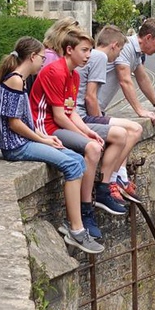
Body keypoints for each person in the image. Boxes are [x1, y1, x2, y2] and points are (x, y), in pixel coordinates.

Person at [0, 37, 102, 254]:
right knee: (72, 164)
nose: (43, 62)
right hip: (17, 146)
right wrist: (42, 139)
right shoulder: (15, 80)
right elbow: (13, 123)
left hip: (23, 141)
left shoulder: (20, 80)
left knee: (77, 160)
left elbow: (23, 119)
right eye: (41, 58)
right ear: (32, 57)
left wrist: (43, 135)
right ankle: (77, 230)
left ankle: (76, 225)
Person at [31, 29, 126, 243]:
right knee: (92, 148)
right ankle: (85, 210)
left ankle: (88, 207)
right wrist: (86, 138)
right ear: (69, 49)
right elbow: (58, 116)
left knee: (93, 144)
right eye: (84, 50)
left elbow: (71, 111)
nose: (88, 55)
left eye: (90, 50)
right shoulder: (56, 72)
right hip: (46, 128)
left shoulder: (73, 75)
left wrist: (88, 131)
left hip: (59, 124)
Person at [79, 24, 145, 204]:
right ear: (114, 45)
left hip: (82, 114)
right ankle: (110, 181)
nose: (119, 55)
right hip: (84, 115)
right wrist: (101, 121)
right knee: (133, 129)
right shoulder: (100, 57)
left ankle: (118, 177)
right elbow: (90, 98)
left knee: (132, 129)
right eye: (120, 50)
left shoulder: (93, 55)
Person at [98, 18, 155, 125]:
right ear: (148, 37)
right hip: (88, 109)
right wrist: (140, 110)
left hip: (97, 109)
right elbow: (125, 81)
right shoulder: (126, 47)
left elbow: (143, 79)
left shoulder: (136, 51)